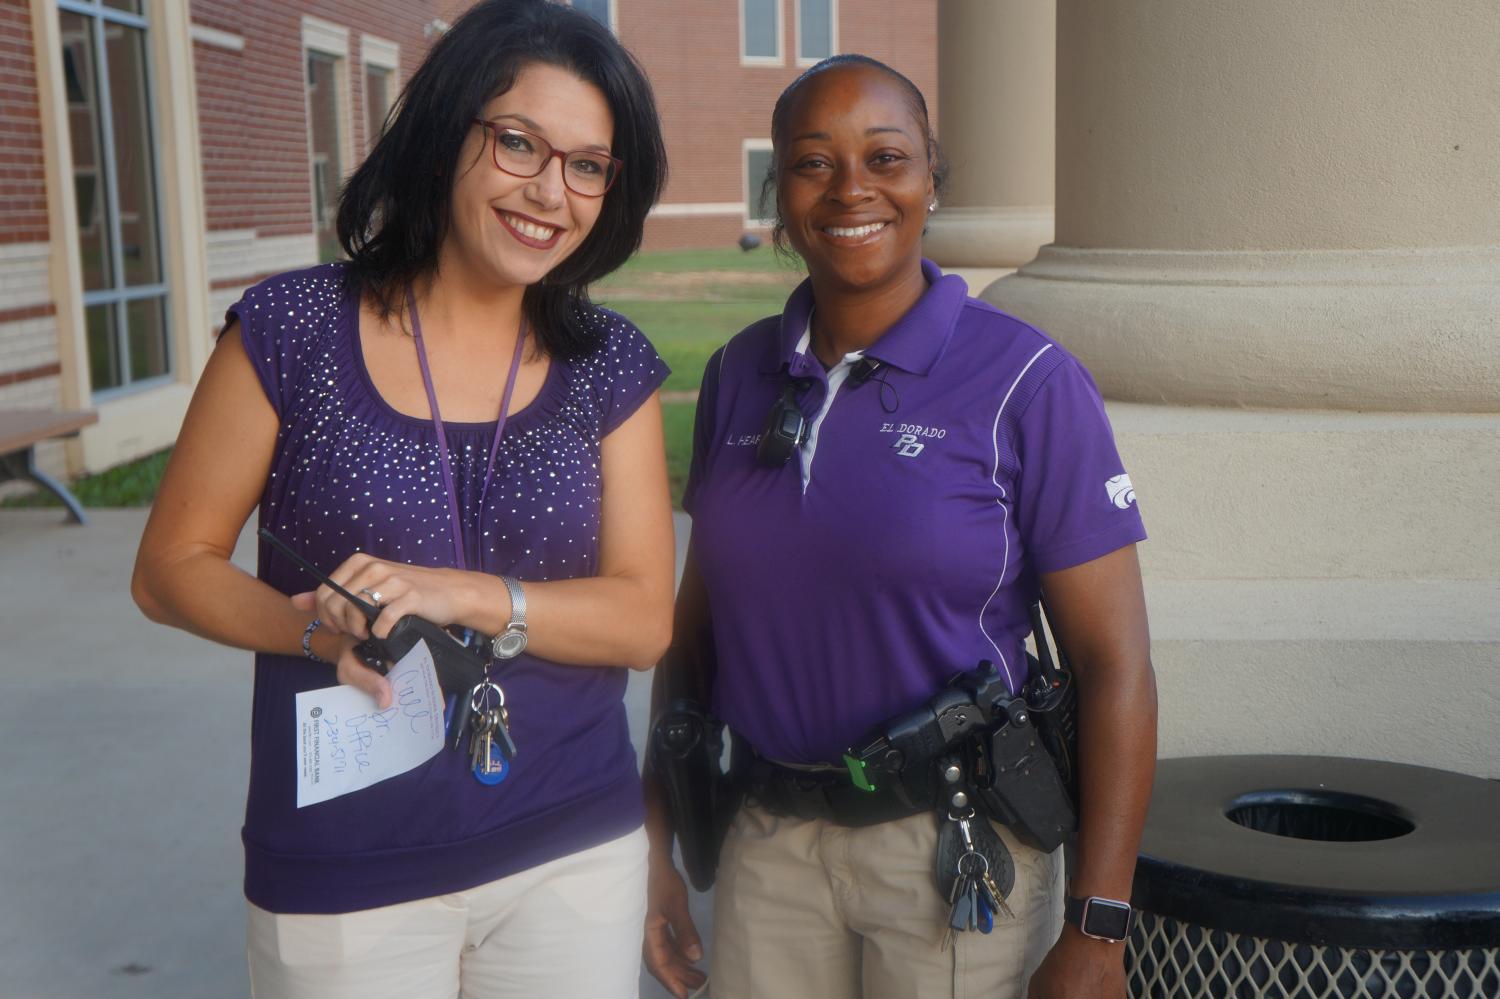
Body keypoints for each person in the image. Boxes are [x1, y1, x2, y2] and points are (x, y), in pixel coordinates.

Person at [131, 3, 673, 996]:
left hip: (573, 846)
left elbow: (642, 618)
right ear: (447, 129)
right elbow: (169, 571)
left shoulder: (610, 363)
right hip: (348, 862)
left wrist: (473, 595)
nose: (551, 192)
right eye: (519, 143)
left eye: (589, 165)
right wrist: (311, 634)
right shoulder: (294, 328)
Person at [643, 55, 1156, 999]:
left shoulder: (1027, 383)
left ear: (931, 181)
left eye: (887, 158)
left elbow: (1116, 663)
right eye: (812, 162)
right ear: (780, 193)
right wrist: (658, 847)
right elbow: (693, 637)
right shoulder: (736, 375)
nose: (852, 190)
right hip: (767, 847)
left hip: (953, 858)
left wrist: (1100, 925)